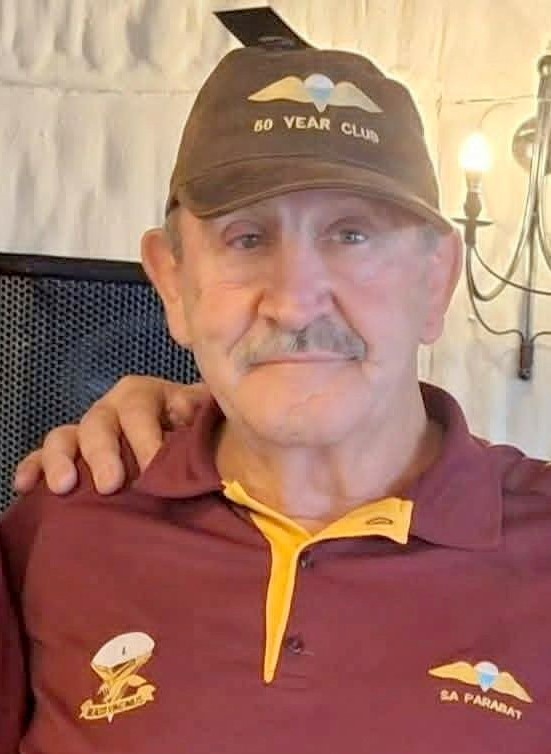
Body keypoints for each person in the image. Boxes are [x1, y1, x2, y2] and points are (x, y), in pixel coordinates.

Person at [2, 43, 551, 753]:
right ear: (172, 283)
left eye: (351, 234)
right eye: (246, 238)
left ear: (436, 279)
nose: (293, 302)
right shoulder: (57, 530)